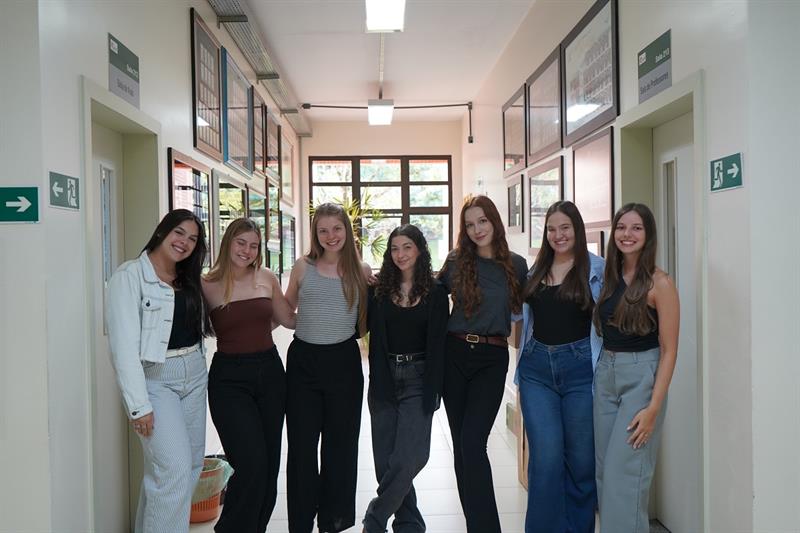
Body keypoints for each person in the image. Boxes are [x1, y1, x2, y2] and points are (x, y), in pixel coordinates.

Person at [106, 209, 210, 533]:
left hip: (194, 374)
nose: (184, 242)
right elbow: (123, 348)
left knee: (187, 467)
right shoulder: (129, 276)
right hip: (156, 380)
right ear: (162, 231)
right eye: (179, 233)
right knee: (173, 469)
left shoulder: (187, 276)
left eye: (192, 239)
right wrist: (138, 406)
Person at [437, 194, 528, 533]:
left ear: (494, 221)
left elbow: (532, 311)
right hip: (454, 354)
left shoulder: (517, 265)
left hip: (492, 358)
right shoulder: (456, 261)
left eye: (482, 221)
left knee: (473, 442)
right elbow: (428, 294)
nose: (477, 229)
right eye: (470, 224)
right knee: (463, 448)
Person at [201, 218, 296, 533]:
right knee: (250, 464)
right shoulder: (206, 284)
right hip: (229, 379)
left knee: (269, 467)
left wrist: (330, 294)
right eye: (241, 243)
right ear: (228, 242)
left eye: (254, 245)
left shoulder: (266, 277)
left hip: (270, 374)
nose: (247, 250)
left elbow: (286, 318)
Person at [283, 202, 371, 533]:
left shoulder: (361, 271)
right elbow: (287, 309)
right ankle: (301, 524)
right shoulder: (302, 267)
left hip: (344, 364)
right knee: (302, 449)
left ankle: (333, 522)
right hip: (304, 364)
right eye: (323, 230)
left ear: (346, 230)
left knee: (341, 448)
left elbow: (367, 319)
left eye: (336, 228)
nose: (330, 235)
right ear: (315, 233)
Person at [517, 201, 604, 533]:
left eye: (565, 227)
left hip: (581, 371)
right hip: (537, 370)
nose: (558, 235)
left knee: (581, 461)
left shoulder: (597, 269)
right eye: (551, 229)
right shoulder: (535, 271)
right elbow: (515, 314)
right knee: (546, 459)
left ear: (577, 229)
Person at [593, 203, 680, 533]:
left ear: (648, 235)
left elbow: (670, 350)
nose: (626, 234)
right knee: (605, 474)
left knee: (625, 480)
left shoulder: (661, 283)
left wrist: (653, 408)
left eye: (636, 228)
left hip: (641, 378)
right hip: (606, 374)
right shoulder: (610, 277)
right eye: (621, 227)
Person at [362, 224, 449, 533]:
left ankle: (375, 519)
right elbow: (364, 330)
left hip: (419, 377)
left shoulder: (436, 293)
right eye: (395, 248)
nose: (400, 254)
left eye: (407, 247)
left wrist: (434, 390)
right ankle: (409, 522)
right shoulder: (378, 290)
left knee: (411, 456)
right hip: (385, 376)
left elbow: (439, 344)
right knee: (386, 461)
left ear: (420, 250)